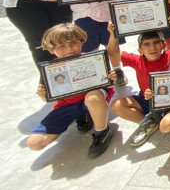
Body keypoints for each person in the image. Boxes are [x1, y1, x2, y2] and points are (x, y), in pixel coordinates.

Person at [27, 23, 115, 158]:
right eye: (61, 46)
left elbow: (108, 86)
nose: (69, 49)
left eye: (74, 43)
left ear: (81, 41)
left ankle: (102, 131)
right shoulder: (50, 70)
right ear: (51, 49)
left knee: (92, 97)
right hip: (67, 104)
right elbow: (48, 97)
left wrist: (111, 78)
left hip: (93, 98)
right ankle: (83, 115)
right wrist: (42, 95)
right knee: (34, 143)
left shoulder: (92, 60)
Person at [107, 14, 170, 147]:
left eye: (156, 43)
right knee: (117, 105)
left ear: (163, 45)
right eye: (147, 45)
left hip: (169, 101)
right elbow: (113, 53)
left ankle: (161, 118)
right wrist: (113, 34)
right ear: (140, 50)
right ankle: (148, 122)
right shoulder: (137, 60)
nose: (152, 48)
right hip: (146, 99)